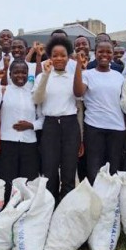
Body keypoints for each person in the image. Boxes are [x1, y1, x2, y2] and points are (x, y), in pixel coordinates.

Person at [33, 36, 80, 202]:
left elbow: (79, 101)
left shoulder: (74, 77)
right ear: (50, 57)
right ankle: (50, 206)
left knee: (69, 170)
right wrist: (46, 75)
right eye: (55, 55)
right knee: (50, 170)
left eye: (63, 55)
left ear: (68, 57)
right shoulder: (42, 76)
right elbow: (37, 99)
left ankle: (66, 208)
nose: (59, 58)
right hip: (50, 125)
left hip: (70, 125)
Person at [0, 60, 42, 200]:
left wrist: (31, 125)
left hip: (29, 143)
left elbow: (43, 118)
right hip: (7, 142)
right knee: (6, 180)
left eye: (24, 72)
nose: (20, 75)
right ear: (10, 74)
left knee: (28, 181)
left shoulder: (33, 93)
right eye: (16, 72)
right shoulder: (3, 90)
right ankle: (6, 209)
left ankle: (25, 209)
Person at [74, 40, 125, 182]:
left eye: (108, 52)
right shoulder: (87, 74)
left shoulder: (119, 76)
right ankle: (96, 196)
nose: (104, 55)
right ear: (95, 53)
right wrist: (78, 65)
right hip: (94, 127)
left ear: (113, 54)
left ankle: (111, 196)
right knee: (94, 170)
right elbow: (78, 92)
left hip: (117, 128)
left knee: (114, 170)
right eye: (101, 51)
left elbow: (124, 102)